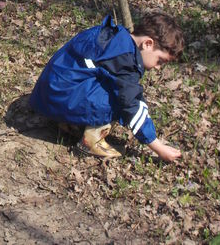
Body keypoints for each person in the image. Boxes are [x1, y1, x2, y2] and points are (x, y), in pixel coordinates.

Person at [30, 12, 184, 162]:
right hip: (59, 98)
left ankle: (69, 123)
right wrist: (157, 147)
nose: (158, 68)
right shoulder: (125, 59)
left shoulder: (116, 37)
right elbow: (131, 104)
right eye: (160, 61)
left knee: (114, 87)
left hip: (48, 92)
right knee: (119, 97)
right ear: (148, 44)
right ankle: (90, 142)